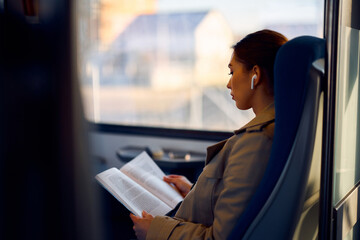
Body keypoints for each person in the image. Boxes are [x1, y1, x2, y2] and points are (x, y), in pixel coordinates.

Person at [130, 29, 288, 240]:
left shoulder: (256, 142)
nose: (228, 83)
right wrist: (196, 192)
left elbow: (220, 238)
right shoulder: (278, 128)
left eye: (232, 72)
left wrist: (155, 231)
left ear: (255, 74)